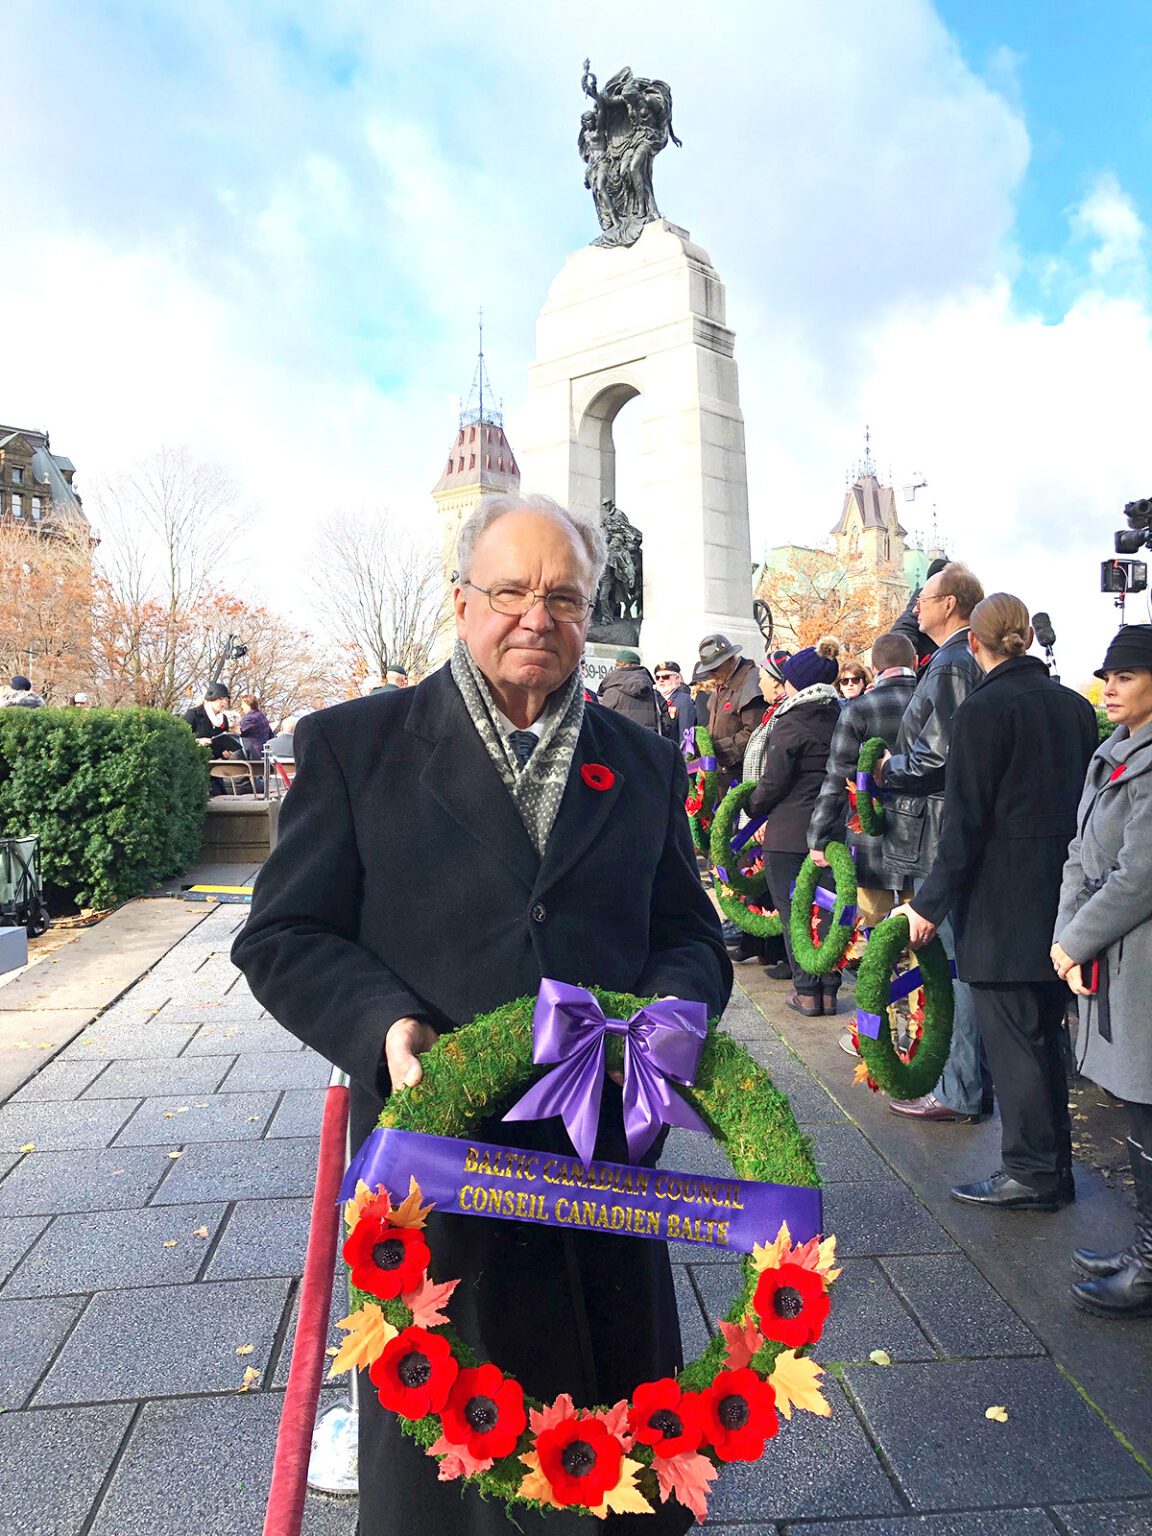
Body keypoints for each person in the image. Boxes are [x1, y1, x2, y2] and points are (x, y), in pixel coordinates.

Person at [232, 491, 730, 1536]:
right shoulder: (354, 748)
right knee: (444, 1496)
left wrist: (676, 1017)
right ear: (462, 602)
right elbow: (282, 935)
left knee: (615, 1472)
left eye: (563, 596)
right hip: (436, 1191)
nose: (535, 618)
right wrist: (380, 1025)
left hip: (601, 1166)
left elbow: (686, 932)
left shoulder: (641, 761)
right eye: (510, 592)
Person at [895, 595, 1096, 1212]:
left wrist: (928, 904)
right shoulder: (1073, 707)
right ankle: (1050, 1167)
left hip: (1002, 904)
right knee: (1045, 1041)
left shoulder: (983, 710)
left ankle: (1032, 1173)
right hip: (1065, 897)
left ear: (976, 646)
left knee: (1014, 1045)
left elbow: (965, 824)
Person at [1053, 624, 1152, 1314]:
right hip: (1111, 951)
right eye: (1106, 677)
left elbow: (1139, 874)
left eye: (1125, 676)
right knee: (1139, 1111)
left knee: (1149, 1108)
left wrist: (1076, 940)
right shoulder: (1114, 752)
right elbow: (1082, 856)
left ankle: (1149, 1265)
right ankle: (1145, 1248)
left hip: (1140, 956)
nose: (1108, 687)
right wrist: (1068, 938)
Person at [874, 562, 987, 1124]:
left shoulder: (949, 663)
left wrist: (890, 768)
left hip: (939, 829)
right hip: (944, 824)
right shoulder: (954, 657)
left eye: (925, 597)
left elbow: (940, 755)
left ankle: (958, 1086)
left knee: (951, 965)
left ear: (951, 604)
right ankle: (960, 1080)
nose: (916, 606)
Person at [807, 631, 919, 1053]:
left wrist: (819, 836)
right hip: (926, 844)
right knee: (919, 942)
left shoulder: (859, 708)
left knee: (876, 942)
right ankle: (920, 1030)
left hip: (872, 840)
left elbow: (836, 779)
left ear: (874, 667)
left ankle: (879, 1033)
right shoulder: (936, 701)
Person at [746, 637, 842, 1016]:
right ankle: (830, 991)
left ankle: (806, 991)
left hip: (788, 833)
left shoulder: (791, 720)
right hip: (831, 831)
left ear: (797, 684)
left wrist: (750, 806)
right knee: (827, 912)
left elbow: (774, 781)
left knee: (793, 914)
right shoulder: (841, 715)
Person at [694, 634, 764, 795]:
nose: (711, 675)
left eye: (715, 669)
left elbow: (755, 733)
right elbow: (718, 722)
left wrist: (717, 749)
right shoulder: (723, 682)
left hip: (738, 777)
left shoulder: (751, 681)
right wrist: (698, 740)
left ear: (729, 659)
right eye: (708, 670)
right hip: (719, 776)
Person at [597, 648, 670, 734]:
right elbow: (666, 725)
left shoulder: (611, 693)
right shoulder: (655, 695)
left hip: (620, 743)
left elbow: (603, 722)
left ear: (618, 665)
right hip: (649, 743)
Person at [653, 660, 697, 733]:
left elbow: (685, 733)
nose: (661, 680)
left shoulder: (684, 700)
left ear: (677, 678)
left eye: (666, 677)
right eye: (657, 677)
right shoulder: (655, 699)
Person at [237, 694, 273, 760]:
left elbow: (239, 731)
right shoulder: (262, 716)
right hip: (263, 753)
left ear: (247, 704)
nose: (241, 706)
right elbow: (271, 735)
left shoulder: (250, 718)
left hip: (253, 755)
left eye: (242, 704)